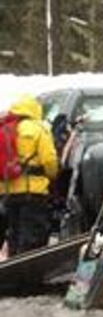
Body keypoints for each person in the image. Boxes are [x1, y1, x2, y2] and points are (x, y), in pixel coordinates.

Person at [2, 94, 60, 257]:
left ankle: (12, 273)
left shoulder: (5, 129)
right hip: (32, 192)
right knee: (33, 239)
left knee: (14, 235)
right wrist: (52, 176)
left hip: (7, 193)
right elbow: (49, 161)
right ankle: (28, 278)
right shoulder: (38, 129)